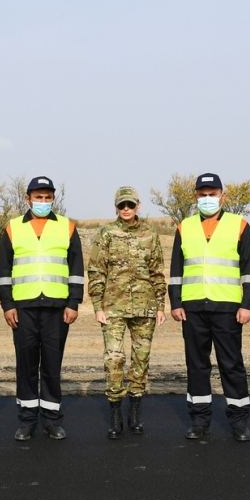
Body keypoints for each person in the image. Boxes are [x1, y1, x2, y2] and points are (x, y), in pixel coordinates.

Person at [169, 173, 250, 442]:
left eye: (212, 194)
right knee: (197, 366)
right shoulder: (184, 227)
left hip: (227, 308)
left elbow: (249, 270)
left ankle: (239, 421)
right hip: (193, 308)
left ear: (222, 195)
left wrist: (247, 304)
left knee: (231, 365)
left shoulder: (239, 225)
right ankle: (199, 421)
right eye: (202, 194)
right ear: (195, 196)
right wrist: (175, 302)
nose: (207, 198)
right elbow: (176, 270)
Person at [0, 176, 84, 441]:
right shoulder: (13, 228)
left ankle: (52, 420)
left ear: (53, 198)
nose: (43, 201)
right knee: (25, 366)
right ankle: (26, 421)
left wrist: (73, 303)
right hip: (23, 308)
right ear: (28, 199)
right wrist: (7, 304)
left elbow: (76, 269)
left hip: (57, 308)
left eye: (47, 197)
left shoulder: (67, 227)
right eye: (38, 197)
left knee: (51, 365)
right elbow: (4, 271)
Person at [87, 186, 166, 439]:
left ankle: (135, 412)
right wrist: (97, 306)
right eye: (122, 205)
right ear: (116, 207)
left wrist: (161, 305)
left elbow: (157, 272)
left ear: (137, 206)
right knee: (114, 359)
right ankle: (115, 414)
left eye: (130, 204)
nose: (126, 209)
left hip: (145, 307)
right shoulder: (106, 234)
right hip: (113, 307)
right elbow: (96, 271)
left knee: (140, 361)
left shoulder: (150, 234)